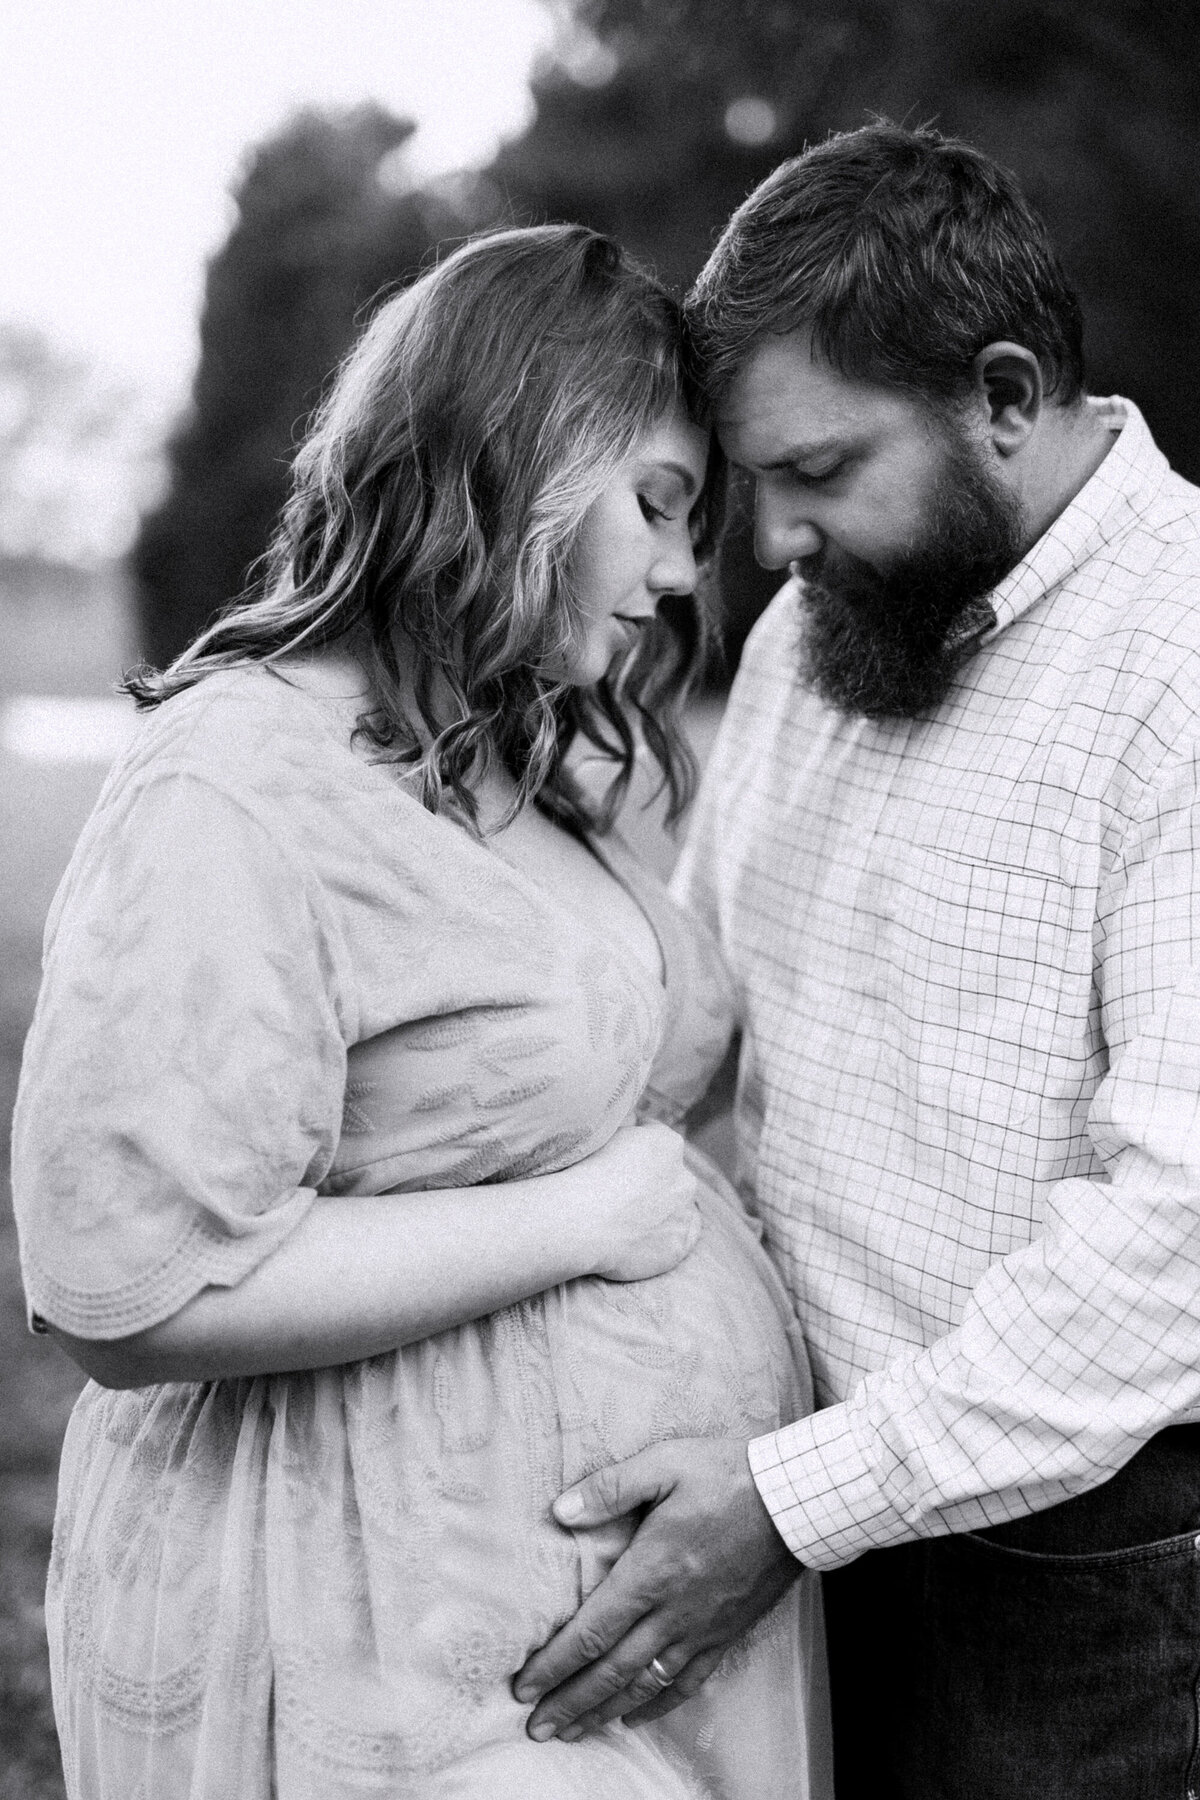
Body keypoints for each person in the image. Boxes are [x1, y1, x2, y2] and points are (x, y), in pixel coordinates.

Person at [12, 225, 831, 1800]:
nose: (678, 575)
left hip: (575, 1640)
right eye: (656, 505)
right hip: (377, 1635)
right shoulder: (236, 779)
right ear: (519, 451)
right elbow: (121, 1287)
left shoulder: (499, 754)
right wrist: (585, 1219)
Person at [511, 125, 1200, 1797]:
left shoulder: (1179, 660)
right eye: (754, 489)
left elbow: (1177, 1240)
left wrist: (793, 1501)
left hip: (1079, 1582)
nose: (769, 548)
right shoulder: (837, 629)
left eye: (819, 473)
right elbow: (709, 1007)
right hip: (798, 1504)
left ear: (1008, 397)